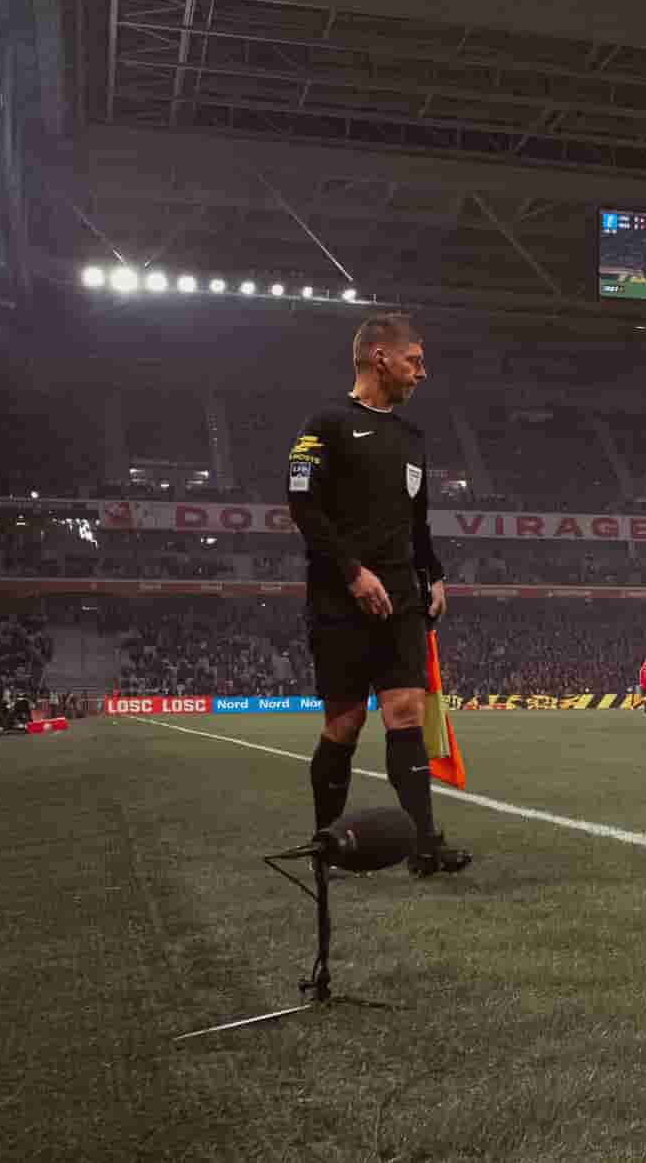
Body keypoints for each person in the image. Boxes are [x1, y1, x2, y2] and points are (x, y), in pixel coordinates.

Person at [288, 312, 469, 878]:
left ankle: (423, 845)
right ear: (379, 358)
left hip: (403, 600)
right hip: (340, 601)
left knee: (406, 713)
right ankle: (326, 848)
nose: (421, 372)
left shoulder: (413, 440)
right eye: (414, 361)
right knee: (344, 725)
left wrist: (433, 573)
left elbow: (417, 522)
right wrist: (351, 572)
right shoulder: (327, 425)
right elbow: (303, 505)